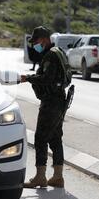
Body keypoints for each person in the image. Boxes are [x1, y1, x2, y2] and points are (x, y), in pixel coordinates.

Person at [20, 26, 68, 188]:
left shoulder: (51, 55)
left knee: (40, 138)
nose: (35, 45)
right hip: (59, 100)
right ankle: (57, 176)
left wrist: (28, 78)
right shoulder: (59, 51)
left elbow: (47, 79)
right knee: (55, 138)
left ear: (45, 39)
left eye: (37, 41)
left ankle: (40, 177)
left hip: (51, 102)